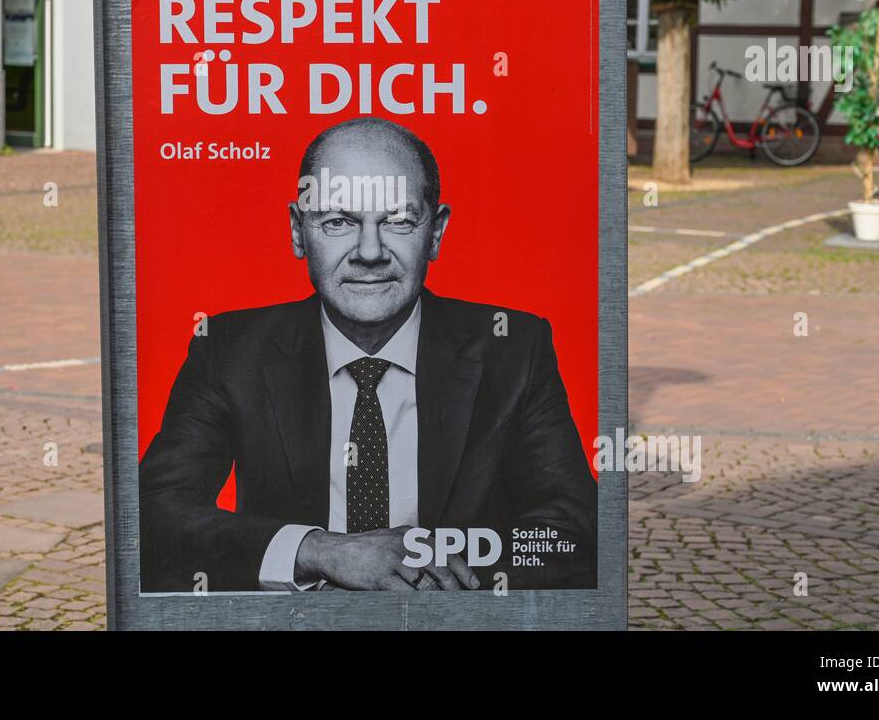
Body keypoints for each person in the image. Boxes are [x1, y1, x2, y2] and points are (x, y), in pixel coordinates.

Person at [139, 117, 597, 592]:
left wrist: (428, 570)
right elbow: (155, 511)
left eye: (398, 220)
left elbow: (573, 527)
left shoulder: (513, 348)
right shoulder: (230, 349)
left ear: (436, 232)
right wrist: (316, 551)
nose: (370, 251)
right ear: (299, 231)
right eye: (338, 221)